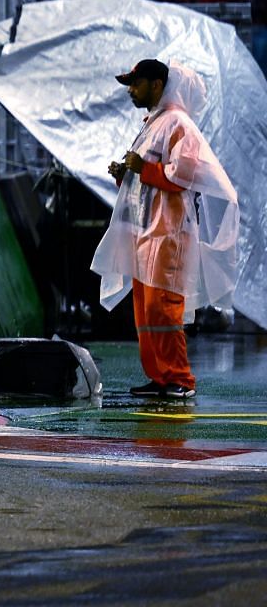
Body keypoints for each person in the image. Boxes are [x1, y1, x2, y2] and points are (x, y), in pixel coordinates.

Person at [95, 58, 240, 399]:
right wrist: (126, 175)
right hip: (148, 233)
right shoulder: (153, 123)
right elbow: (148, 179)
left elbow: (185, 175)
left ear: (157, 85)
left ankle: (180, 379)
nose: (131, 90)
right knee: (146, 310)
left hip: (169, 233)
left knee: (163, 308)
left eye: (136, 83)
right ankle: (160, 376)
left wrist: (143, 168)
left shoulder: (178, 124)